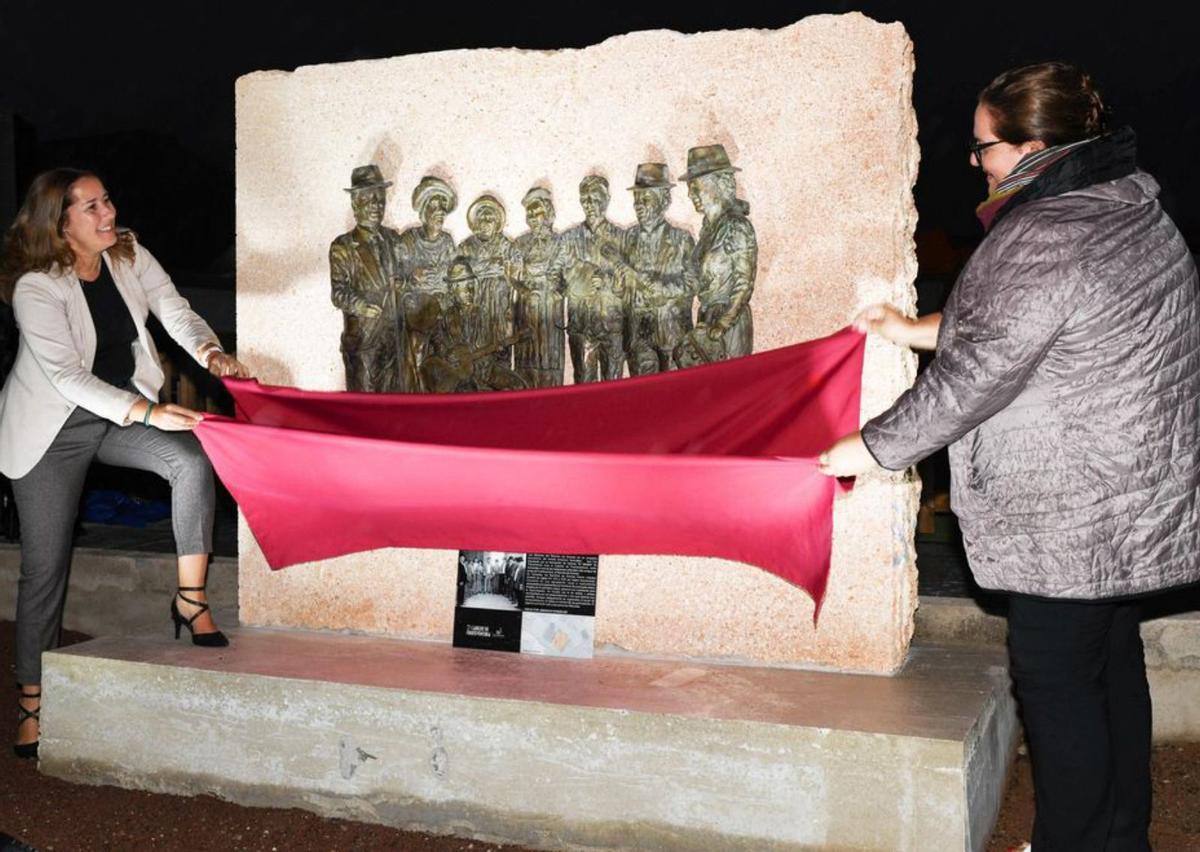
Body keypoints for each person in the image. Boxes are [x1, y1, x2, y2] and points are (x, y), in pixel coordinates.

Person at [819, 62, 1200, 851]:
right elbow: (1040, 329)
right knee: (1112, 671)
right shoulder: (1131, 206)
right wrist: (913, 327)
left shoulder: (1042, 234)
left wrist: (871, 446)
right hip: (1133, 498)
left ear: (1034, 148)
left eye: (983, 146)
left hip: (1069, 513)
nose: (974, 161)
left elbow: (976, 376)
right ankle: (1119, 835)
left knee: (1058, 690)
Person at [0, 168, 253, 760]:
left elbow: (174, 308)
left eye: (107, 199)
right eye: (90, 207)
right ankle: (32, 699)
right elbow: (67, 376)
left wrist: (211, 353)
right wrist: (148, 410)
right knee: (45, 567)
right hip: (51, 429)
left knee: (191, 460)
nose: (107, 212)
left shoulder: (128, 253)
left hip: (115, 416)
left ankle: (190, 600)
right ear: (59, 225)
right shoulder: (39, 287)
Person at [615, 163, 697, 373]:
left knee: (675, 396)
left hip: (672, 333)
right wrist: (618, 285)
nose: (639, 205)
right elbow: (618, 291)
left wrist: (661, 288)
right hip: (638, 335)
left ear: (664, 200)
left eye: (646, 198)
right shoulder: (626, 238)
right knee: (644, 397)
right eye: (636, 199)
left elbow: (692, 284)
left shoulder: (681, 240)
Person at [328, 164, 404, 392]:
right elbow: (338, 293)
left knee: (396, 407)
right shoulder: (343, 246)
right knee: (366, 407)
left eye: (380, 199)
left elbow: (403, 276)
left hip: (394, 342)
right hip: (363, 344)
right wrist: (361, 306)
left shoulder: (393, 239)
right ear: (355, 203)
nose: (376, 206)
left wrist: (403, 283)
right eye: (369, 199)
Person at [683, 144, 756, 359]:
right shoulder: (708, 230)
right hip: (706, 320)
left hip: (729, 325)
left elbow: (744, 283)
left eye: (696, 186)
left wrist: (722, 325)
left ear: (718, 183)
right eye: (689, 187)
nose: (690, 194)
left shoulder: (737, 227)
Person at [397, 176, 458, 392]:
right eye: (434, 206)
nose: (440, 212)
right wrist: (411, 277)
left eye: (443, 207)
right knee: (416, 352)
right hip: (417, 314)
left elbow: (453, 281)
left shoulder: (448, 243)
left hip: (441, 311)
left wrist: (446, 298)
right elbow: (395, 279)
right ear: (424, 211)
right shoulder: (408, 241)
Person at [560, 175, 624, 379]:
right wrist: (574, 282)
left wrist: (609, 282)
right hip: (582, 324)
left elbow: (632, 280)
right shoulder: (568, 238)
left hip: (612, 324)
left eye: (596, 198)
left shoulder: (622, 237)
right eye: (585, 199)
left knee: (614, 384)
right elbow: (558, 280)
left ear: (607, 200)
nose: (590, 204)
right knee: (584, 383)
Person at [513, 187, 568, 388]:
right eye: (529, 212)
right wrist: (522, 290)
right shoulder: (520, 243)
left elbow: (568, 277)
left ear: (548, 212)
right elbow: (511, 276)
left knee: (548, 355)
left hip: (550, 307)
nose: (533, 217)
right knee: (527, 354)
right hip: (527, 306)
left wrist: (560, 291)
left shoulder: (560, 242)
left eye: (537, 212)